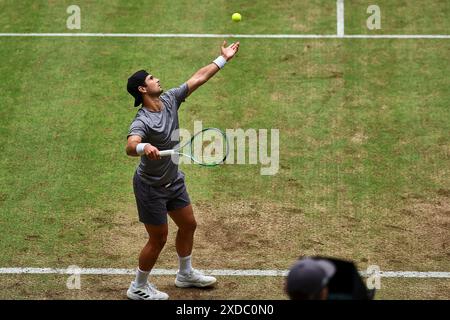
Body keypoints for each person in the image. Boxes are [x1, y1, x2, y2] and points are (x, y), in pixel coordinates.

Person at [124, 41, 240, 300]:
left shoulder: (169, 99)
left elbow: (197, 78)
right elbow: (130, 146)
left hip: (172, 180)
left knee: (188, 225)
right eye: (152, 78)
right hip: (150, 187)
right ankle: (138, 286)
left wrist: (222, 59)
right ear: (143, 89)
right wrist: (144, 147)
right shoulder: (142, 119)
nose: (158, 79)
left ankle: (185, 274)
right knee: (158, 239)